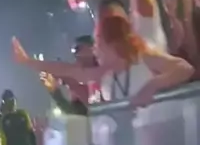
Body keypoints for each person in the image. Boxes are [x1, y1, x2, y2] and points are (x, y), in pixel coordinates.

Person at [12, 16, 194, 107]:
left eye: (99, 43)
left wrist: (153, 85)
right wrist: (28, 62)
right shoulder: (104, 72)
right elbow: (67, 70)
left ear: (114, 43)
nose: (95, 49)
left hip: (160, 143)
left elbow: (185, 68)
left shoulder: (143, 58)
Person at [55, 0, 168, 52]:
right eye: (106, 25)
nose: (113, 27)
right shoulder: (106, 67)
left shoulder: (145, 35)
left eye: (117, 20)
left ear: (128, 20)